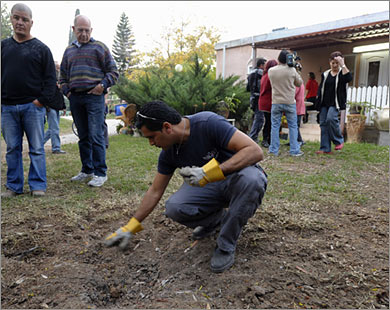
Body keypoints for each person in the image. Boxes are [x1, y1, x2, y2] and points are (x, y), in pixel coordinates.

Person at [104, 100, 268, 273]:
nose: (151, 143)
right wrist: (131, 226)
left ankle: (226, 245)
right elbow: (155, 191)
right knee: (175, 207)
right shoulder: (170, 152)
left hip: (239, 178)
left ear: (167, 127)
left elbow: (255, 151)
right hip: (212, 186)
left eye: (152, 136)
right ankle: (217, 221)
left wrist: (210, 172)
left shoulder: (208, 123)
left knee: (252, 180)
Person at [1, 3, 57, 198]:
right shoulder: (3, 47)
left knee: (37, 148)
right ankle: (14, 186)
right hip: (7, 107)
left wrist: (41, 101)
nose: (20, 22)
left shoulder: (42, 49)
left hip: (33, 108)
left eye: (24, 19)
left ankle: (38, 185)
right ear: (11, 19)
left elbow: (51, 80)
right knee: (12, 148)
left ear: (31, 22)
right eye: (16, 18)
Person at [59, 15, 118, 187]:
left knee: (96, 135)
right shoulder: (68, 51)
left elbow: (113, 72)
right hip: (76, 97)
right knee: (83, 136)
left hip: (94, 97)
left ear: (91, 30)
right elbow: (62, 76)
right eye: (80, 30)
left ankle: (100, 173)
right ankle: (87, 170)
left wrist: (102, 86)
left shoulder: (99, 47)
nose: (84, 34)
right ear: (74, 29)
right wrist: (68, 93)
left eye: (87, 30)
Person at [268, 50, 303, 156]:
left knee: (274, 126)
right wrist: (297, 70)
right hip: (289, 101)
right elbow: (299, 83)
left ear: (279, 59)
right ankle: (294, 150)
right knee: (293, 126)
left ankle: (274, 150)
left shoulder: (271, 70)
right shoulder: (292, 70)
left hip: (276, 101)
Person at [315, 51, 352, 154]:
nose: (335, 65)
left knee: (331, 119)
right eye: (333, 63)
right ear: (329, 62)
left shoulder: (342, 72)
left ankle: (338, 140)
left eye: (337, 63)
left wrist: (343, 64)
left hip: (335, 103)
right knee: (323, 124)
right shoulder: (325, 74)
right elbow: (321, 87)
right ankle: (325, 148)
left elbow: (349, 78)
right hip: (324, 103)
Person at [43, 61, 66, 154]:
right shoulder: (48, 81)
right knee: (54, 128)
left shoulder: (58, 82)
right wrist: (46, 105)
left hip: (56, 107)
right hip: (50, 106)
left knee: (52, 128)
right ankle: (56, 148)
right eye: (56, 67)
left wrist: (64, 107)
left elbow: (60, 96)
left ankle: (38, 144)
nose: (58, 69)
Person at [258, 59, 278, 148]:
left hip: (263, 101)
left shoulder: (264, 75)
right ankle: (266, 139)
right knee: (269, 122)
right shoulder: (270, 76)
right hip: (268, 101)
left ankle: (268, 139)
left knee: (268, 121)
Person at [246, 57, 267, 143]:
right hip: (259, 98)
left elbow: (247, 88)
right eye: (265, 65)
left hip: (252, 98)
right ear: (261, 65)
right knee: (260, 118)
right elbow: (262, 86)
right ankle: (252, 136)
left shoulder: (251, 73)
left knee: (257, 117)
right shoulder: (261, 73)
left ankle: (253, 136)